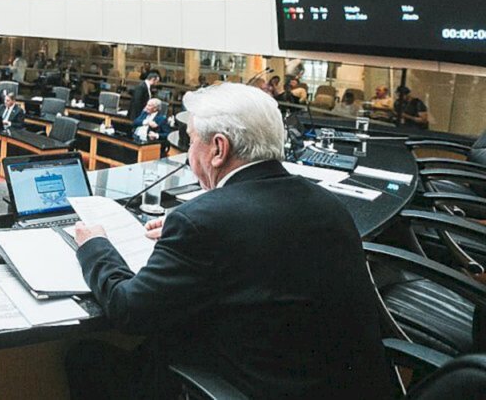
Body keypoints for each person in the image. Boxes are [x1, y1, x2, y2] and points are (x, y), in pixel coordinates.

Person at [67, 83, 393, 399]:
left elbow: (128, 310)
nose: (188, 152)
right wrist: (192, 227)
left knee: (87, 357)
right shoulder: (327, 204)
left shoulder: (203, 221)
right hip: (344, 386)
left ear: (218, 149)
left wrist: (95, 244)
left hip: (258, 388)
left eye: (191, 140)